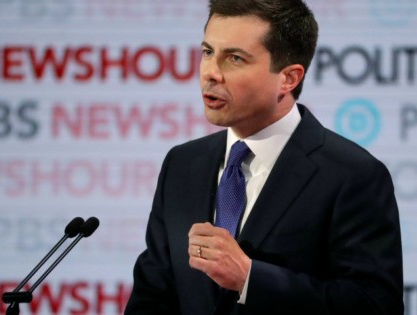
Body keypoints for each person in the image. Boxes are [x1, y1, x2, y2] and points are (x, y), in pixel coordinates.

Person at [124, 0, 403, 314]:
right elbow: (152, 295)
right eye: (207, 52)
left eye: (235, 58)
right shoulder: (182, 164)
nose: (211, 73)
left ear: (288, 78)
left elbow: (375, 305)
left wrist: (250, 279)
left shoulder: (352, 174)